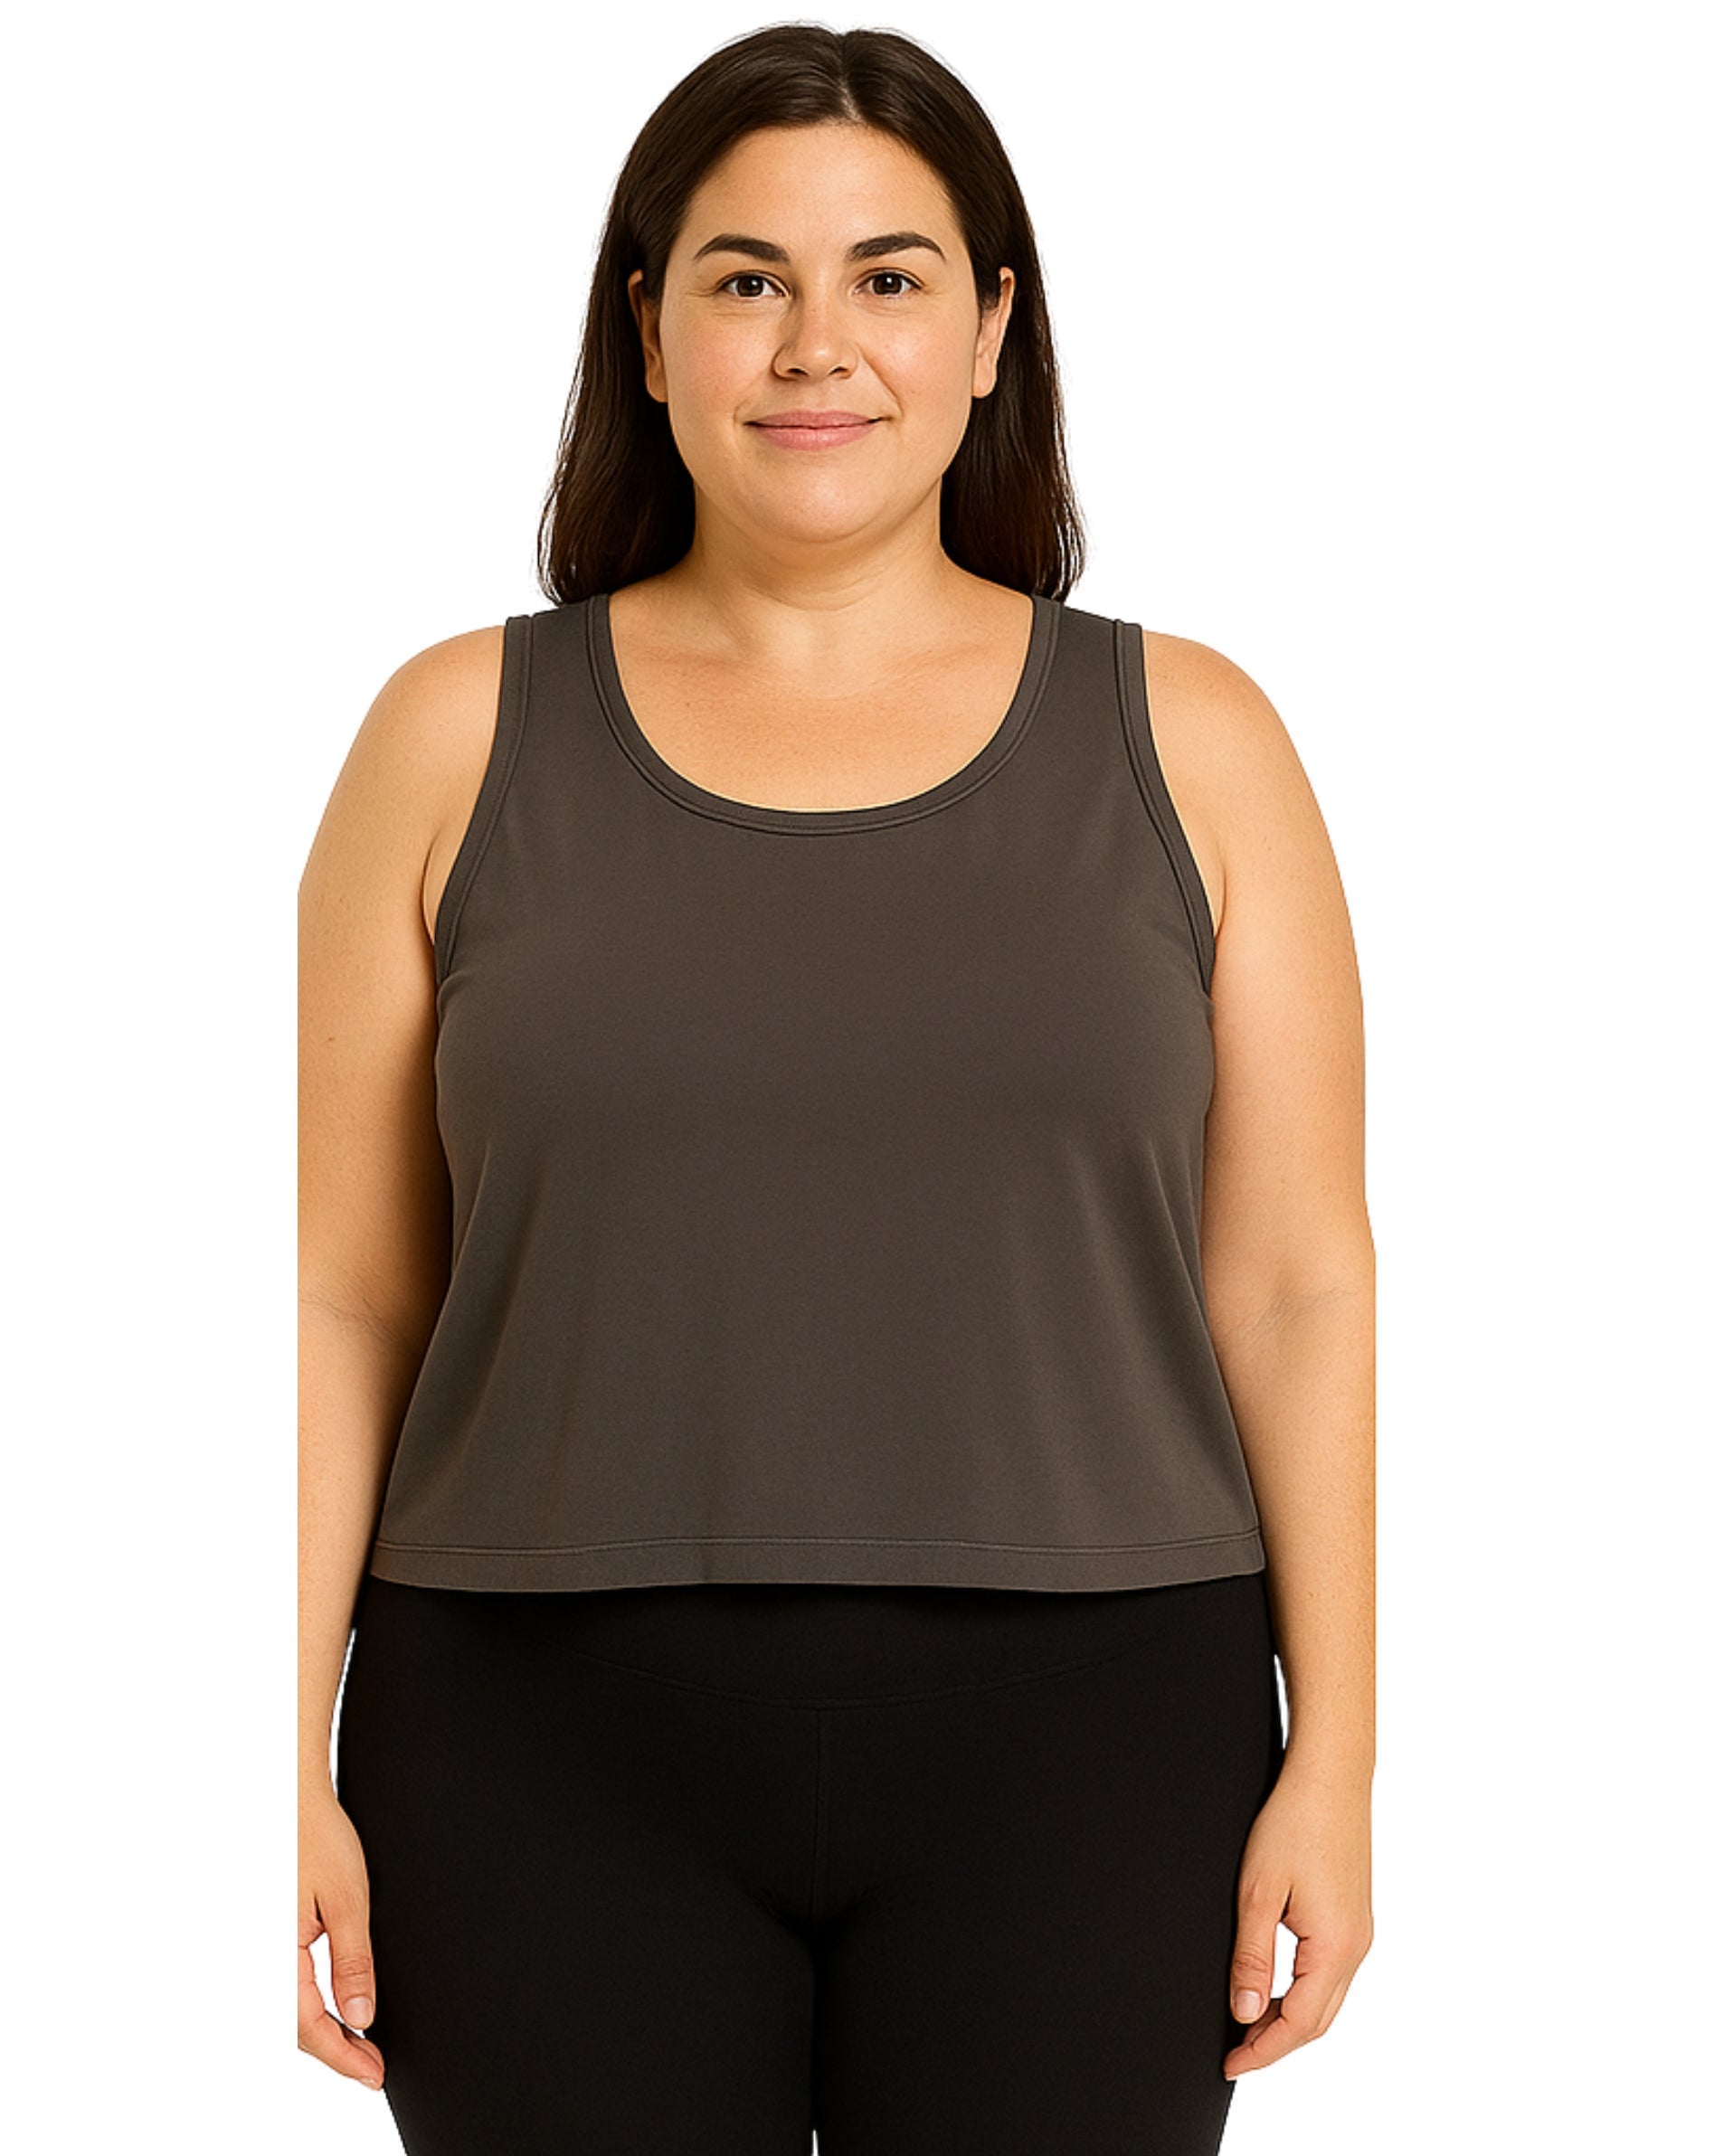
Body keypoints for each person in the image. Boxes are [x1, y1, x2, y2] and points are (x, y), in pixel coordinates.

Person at [298, 23, 1374, 2154]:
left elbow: (1290, 1288)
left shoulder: (1197, 740)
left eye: (888, 276)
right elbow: (342, 1294)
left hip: (1097, 1736)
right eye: (745, 278)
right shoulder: (447, 737)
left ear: (988, 331)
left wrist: (1333, 1751)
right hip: (527, 1738)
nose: (816, 344)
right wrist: (257, 1751)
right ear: (648, 333)